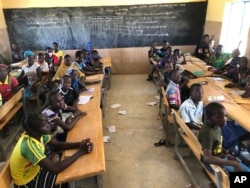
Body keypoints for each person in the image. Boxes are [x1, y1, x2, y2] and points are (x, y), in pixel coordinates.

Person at [10, 112, 93, 188]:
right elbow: (54, 168)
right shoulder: (29, 145)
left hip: (36, 171)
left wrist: (80, 144)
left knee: (66, 172)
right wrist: (80, 152)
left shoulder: (39, 135)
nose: (49, 125)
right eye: (44, 125)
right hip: (27, 182)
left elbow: (59, 144)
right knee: (62, 178)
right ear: (35, 131)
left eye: (47, 121)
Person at [198, 102, 250, 172]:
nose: (224, 119)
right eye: (219, 117)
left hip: (221, 156)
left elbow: (217, 145)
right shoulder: (208, 133)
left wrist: (228, 155)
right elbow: (207, 158)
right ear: (209, 117)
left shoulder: (216, 127)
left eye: (225, 116)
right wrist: (233, 164)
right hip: (213, 164)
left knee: (247, 170)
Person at [0, 63, 19, 137]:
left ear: (7, 71)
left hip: (11, 100)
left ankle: (5, 128)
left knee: (2, 114)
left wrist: (10, 102)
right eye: (0, 71)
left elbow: (16, 93)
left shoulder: (11, 80)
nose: (2, 73)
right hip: (1, 101)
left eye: (3, 71)